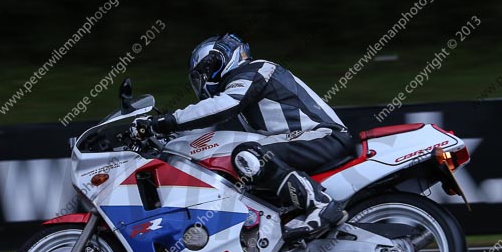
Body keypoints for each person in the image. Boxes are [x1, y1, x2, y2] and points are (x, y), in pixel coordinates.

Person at [130, 33, 354, 235]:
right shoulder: (240, 86)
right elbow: (203, 128)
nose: (202, 81)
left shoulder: (256, 70)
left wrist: (161, 123)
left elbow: (221, 107)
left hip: (323, 136)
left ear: (218, 60)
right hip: (304, 140)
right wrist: (165, 140)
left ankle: (321, 205)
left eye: (204, 73)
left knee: (248, 155)